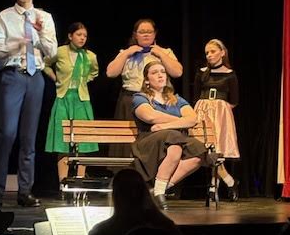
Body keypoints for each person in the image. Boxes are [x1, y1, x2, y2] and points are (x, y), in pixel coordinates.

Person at [0, 0, 57, 209]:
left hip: (35, 77)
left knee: (29, 139)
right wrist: (16, 44)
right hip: (13, 76)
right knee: (7, 133)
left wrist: (37, 33)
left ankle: (25, 191)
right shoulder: (3, 17)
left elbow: (53, 52)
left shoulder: (44, 18)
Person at [131, 61, 212, 209]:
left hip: (175, 139)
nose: (160, 74)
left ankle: (158, 190)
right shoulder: (140, 97)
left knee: (199, 151)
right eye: (155, 72)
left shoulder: (176, 99)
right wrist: (181, 121)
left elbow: (192, 118)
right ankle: (159, 193)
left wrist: (165, 125)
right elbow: (150, 117)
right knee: (175, 145)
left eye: (162, 71)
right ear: (147, 80)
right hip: (149, 141)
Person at [106, 18, 183, 157]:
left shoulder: (165, 52)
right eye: (142, 32)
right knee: (127, 142)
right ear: (135, 34)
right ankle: (126, 174)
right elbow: (110, 73)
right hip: (129, 101)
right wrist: (126, 53)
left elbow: (177, 72)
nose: (146, 35)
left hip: (155, 101)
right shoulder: (127, 53)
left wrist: (160, 54)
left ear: (155, 34)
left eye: (149, 32)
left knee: (153, 138)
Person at [44, 22, 99, 182]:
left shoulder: (90, 56)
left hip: (81, 100)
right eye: (79, 35)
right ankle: (63, 182)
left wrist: (84, 80)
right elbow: (45, 64)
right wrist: (56, 79)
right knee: (63, 142)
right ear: (70, 36)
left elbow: (94, 72)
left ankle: (80, 180)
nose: (82, 38)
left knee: (83, 142)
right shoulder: (60, 52)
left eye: (85, 36)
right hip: (63, 98)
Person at [194, 38, 239, 201]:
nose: (209, 55)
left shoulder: (230, 74)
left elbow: (234, 100)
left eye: (213, 51)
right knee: (205, 149)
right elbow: (196, 95)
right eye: (207, 52)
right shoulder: (201, 72)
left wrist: (219, 109)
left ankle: (213, 186)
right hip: (203, 112)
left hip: (220, 114)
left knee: (217, 149)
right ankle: (230, 181)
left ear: (222, 52)